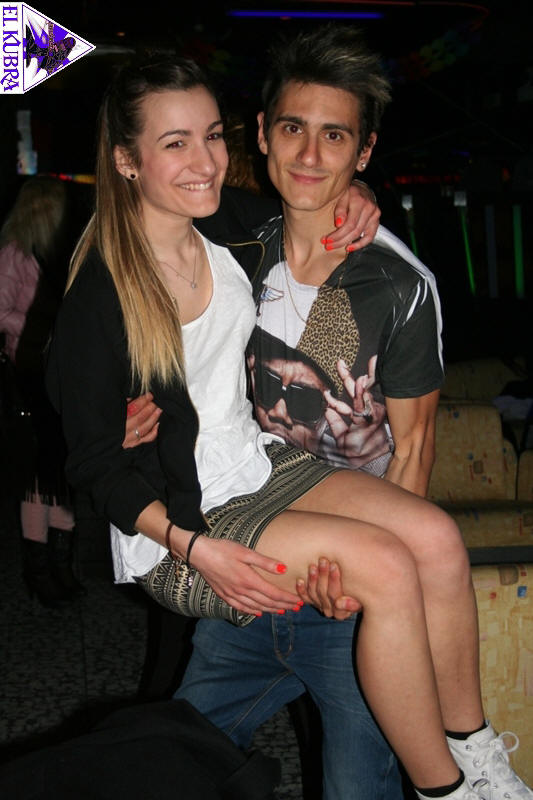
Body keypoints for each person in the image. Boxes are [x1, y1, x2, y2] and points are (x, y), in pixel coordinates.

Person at [45, 54, 531, 800]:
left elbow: (311, 197)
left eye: (211, 136)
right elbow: (90, 460)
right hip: (182, 518)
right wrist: (194, 547)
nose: (204, 161)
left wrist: (359, 192)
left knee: (434, 536)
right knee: (387, 565)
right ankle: (446, 791)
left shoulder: (231, 228)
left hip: (257, 463)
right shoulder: (102, 290)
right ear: (125, 159)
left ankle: (476, 753)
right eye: (175, 143)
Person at [0, 176, 85, 607]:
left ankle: (60, 563)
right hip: (29, 372)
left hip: (62, 372)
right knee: (40, 472)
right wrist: (40, 327)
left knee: (62, 469)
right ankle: (39, 569)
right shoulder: (15, 254)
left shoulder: (64, 254)